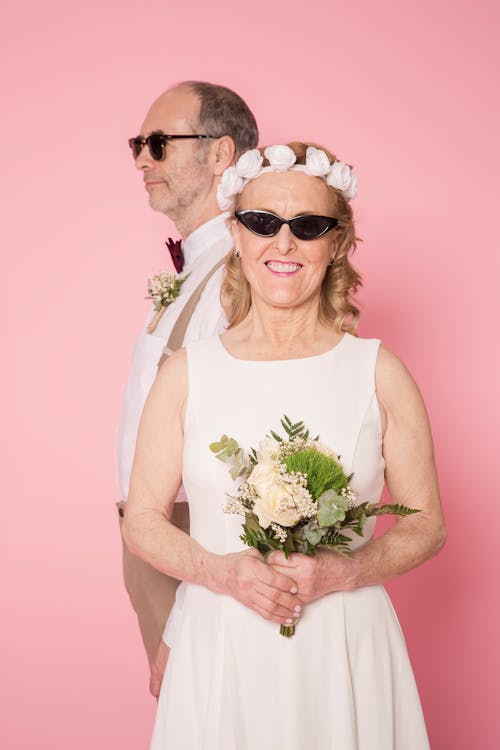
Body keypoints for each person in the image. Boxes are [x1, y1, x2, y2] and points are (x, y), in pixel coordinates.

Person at [123, 141, 446, 748]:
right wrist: (221, 574)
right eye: (263, 222)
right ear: (238, 236)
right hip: (223, 640)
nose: (284, 243)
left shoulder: (380, 371)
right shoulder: (187, 373)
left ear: (338, 243)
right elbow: (142, 520)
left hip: (343, 640)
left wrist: (345, 571)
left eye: (309, 226)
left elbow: (426, 523)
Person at [116, 81, 258, 698]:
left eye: (158, 143)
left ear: (220, 154)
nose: (143, 159)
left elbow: (244, 458)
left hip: (196, 551)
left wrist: (182, 614)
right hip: (161, 545)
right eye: (137, 146)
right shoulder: (200, 266)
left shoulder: (238, 276)